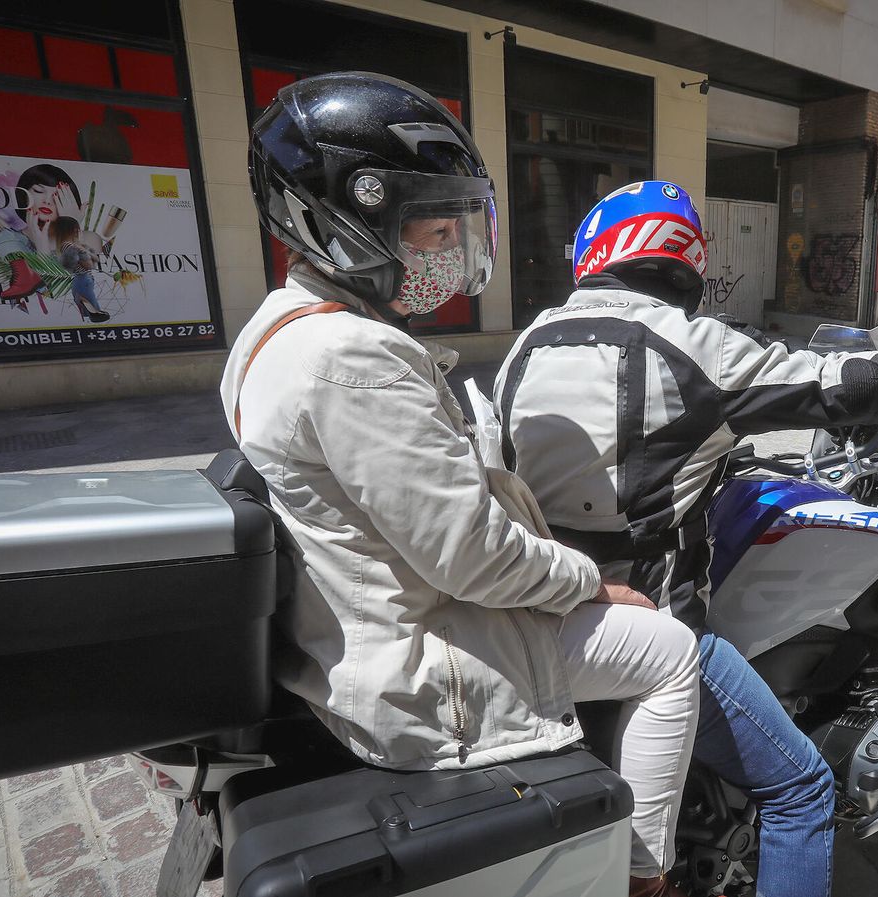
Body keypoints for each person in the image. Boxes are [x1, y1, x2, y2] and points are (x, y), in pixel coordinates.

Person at [227, 74, 700, 897]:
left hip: (361, 621)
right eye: (431, 225)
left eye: (454, 223)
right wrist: (592, 581)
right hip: (423, 660)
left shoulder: (276, 328)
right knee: (670, 650)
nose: (447, 246)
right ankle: (644, 871)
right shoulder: (352, 357)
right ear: (344, 220)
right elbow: (471, 557)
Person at [495, 180, 878, 897]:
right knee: (801, 786)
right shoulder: (694, 346)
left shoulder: (526, 346)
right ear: (686, 262)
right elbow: (858, 383)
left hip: (536, 618)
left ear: (591, 253)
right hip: (649, 632)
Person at [52, 217, 111, 322]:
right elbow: (88, 265)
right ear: (74, 230)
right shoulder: (70, 246)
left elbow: (94, 259)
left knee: (87, 299)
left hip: (82, 279)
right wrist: (83, 249)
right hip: (83, 278)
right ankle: (94, 315)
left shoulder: (66, 246)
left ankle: (91, 313)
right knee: (89, 300)